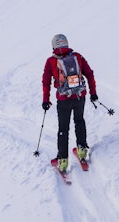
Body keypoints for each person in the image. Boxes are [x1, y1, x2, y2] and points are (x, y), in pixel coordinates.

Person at [42, 33, 98, 173]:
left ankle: (63, 161)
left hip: (63, 99)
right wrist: (93, 93)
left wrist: (45, 100)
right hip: (79, 96)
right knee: (79, 121)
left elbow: (46, 82)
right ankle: (82, 151)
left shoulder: (50, 61)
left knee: (63, 129)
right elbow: (89, 73)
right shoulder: (77, 57)